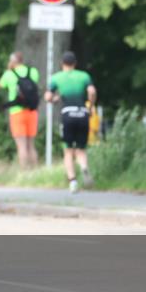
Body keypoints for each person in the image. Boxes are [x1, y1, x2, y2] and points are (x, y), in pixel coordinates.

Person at [44, 51, 97, 193]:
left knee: (68, 150)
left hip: (67, 113)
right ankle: (84, 168)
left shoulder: (56, 78)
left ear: (62, 63)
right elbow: (92, 91)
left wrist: (55, 99)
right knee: (81, 149)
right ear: (75, 63)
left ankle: (73, 181)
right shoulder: (84, 76)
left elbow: (48, 96)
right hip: (82, 113)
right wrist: (90, 106)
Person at [0, 51, 40, 169]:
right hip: (32, 112)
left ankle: (24, 172)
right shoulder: (33, 71)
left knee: (21, 145)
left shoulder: (9, 73)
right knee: (31, 145)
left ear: (12, 61)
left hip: (16, 112)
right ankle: (35, 171)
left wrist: (8, 70)